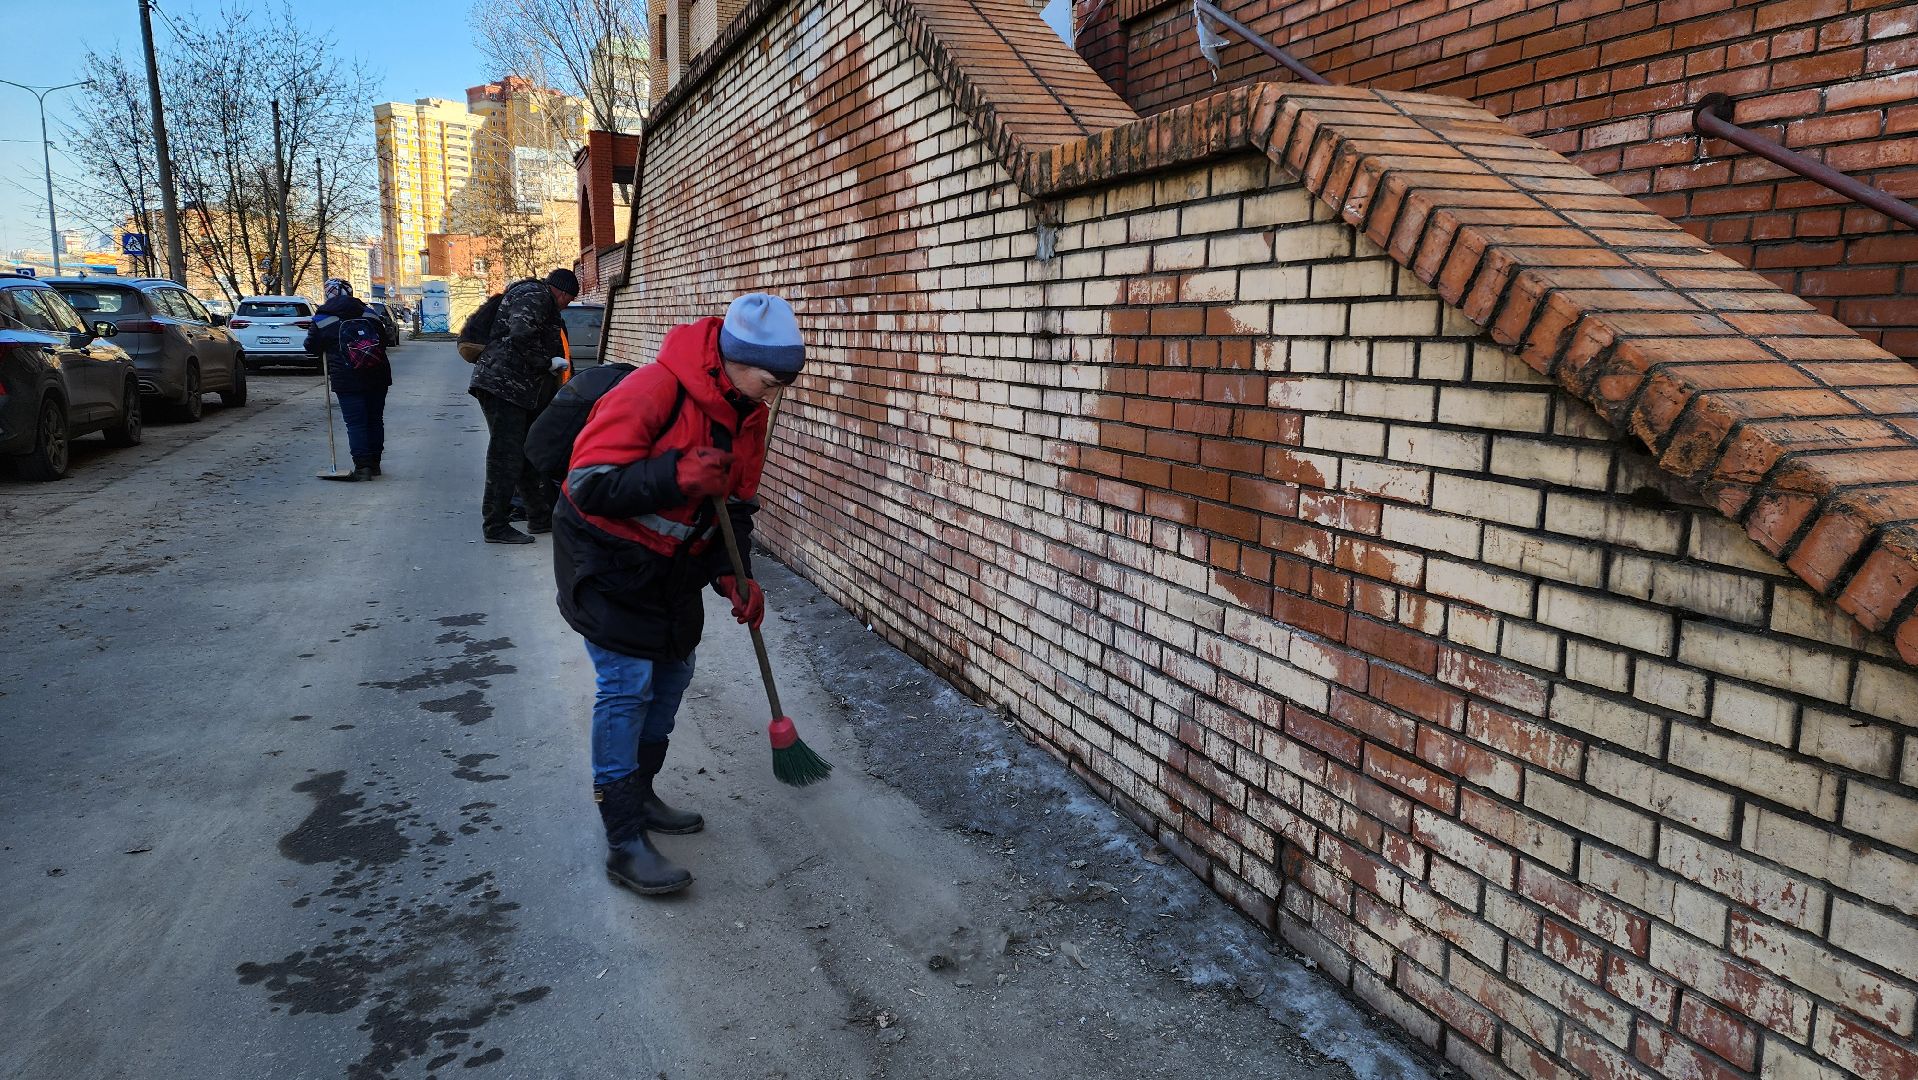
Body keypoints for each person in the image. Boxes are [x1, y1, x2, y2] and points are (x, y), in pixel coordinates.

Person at [554, 293, 803, 896]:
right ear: (734, 358)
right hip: (608, 562)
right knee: (627, 685)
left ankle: (641, 796)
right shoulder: (653, 391)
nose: (772, 396)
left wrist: (731, 572)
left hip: (673, 569)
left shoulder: (749, 411)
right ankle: (622, 838)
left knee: (672, 678)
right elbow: (587, 484)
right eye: (769, 381)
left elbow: (734, 506)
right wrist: (674, 475)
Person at [468, 268, 577, 544]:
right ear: (562, 292)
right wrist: (547, 362)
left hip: (516, 389)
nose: (567, 305)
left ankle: (540, 517)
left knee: (526, 451)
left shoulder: (538, 297)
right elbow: (521, 334)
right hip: (502, 386)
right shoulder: (536, 296)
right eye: (569, 300)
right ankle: (495, 525)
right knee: (505, 457)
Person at [305, 278, 393, 482]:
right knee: (374, 420)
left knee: (356, 424)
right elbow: (386, 338)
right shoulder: (369, 313)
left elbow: (311, 347)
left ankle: (362, 468)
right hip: (377, 374)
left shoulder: (322, 319)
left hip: (346, 377)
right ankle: (375, 464)